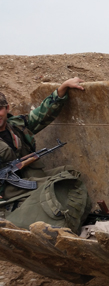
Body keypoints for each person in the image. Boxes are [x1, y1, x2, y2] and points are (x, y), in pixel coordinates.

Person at [0, 77, 90, 233]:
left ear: (7, 108)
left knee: (70, 172)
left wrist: (62, 88)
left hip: (27, 175)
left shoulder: (17, 126)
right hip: (7, 187)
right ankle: (60, 227)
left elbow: (43, 114)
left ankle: (74, 221)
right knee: (55, 185)